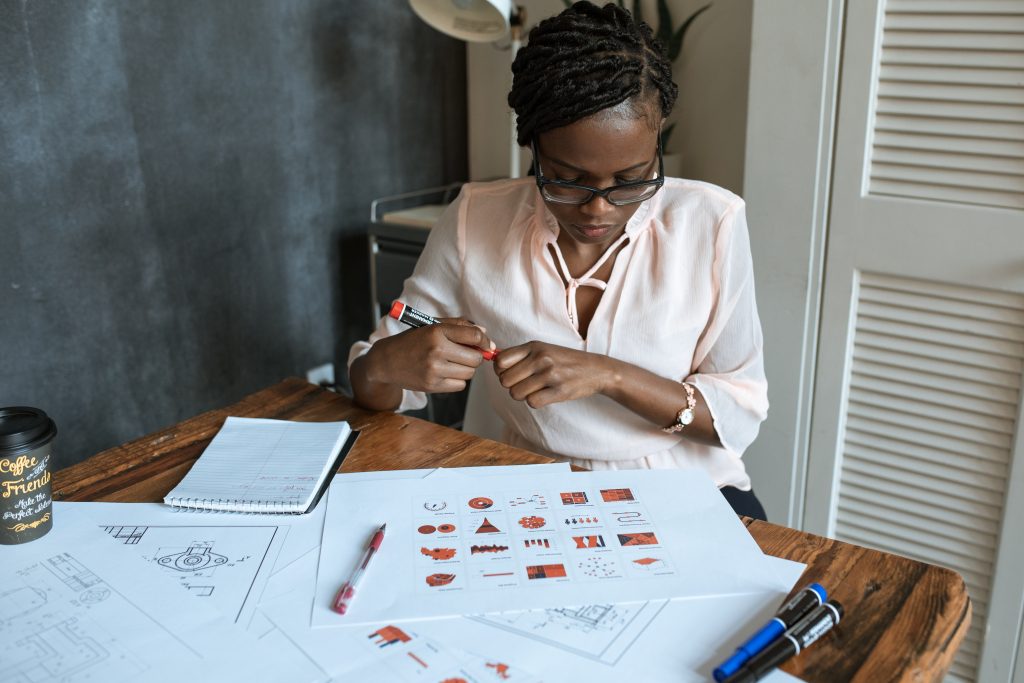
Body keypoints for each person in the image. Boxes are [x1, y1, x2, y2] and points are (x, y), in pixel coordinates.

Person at [349, 1, 769, 520]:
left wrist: (607, 375)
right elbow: (374, 380)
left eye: (632, 178)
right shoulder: (475, 218)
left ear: (657, 144)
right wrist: (387, 365)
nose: (598, 208)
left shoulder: (711, 222)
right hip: (522, 484)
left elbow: (738, 413)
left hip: (686, 489)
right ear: (533, 148)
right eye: (567, 179)